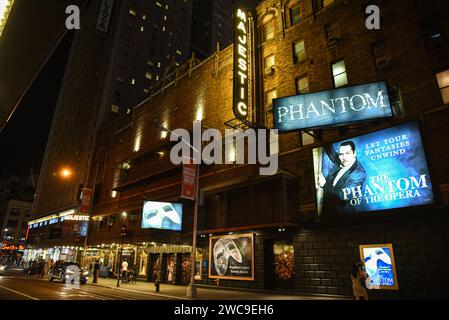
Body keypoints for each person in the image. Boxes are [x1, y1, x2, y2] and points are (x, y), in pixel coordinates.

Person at [318, 141, 367, 215]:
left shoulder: (359, 173)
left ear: (354, 153)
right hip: (327, 213)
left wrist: (324, 185)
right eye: (341, 154)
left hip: (342, 216)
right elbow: (332, 154)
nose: (344, 157)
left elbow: (343, 197)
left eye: (348, 153)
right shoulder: (341, 161)